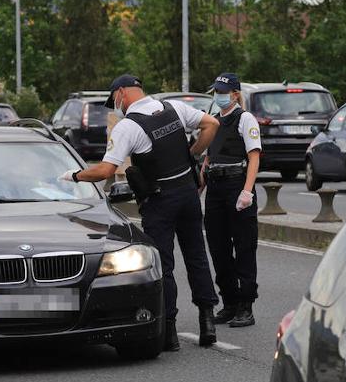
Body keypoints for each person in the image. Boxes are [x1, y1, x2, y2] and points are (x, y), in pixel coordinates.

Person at [65, 75, 221, 351]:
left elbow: (104, 171)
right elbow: (212, 124)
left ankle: (169, 332)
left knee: (164, 264)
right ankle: (207, 322)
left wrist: (74, 176)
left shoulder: (128, 126)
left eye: (114, 99)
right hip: (188, 193)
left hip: (160, 201)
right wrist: (192, 156)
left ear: (122, 93)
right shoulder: (173, 108)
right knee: (197, 255)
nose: (115, 104)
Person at [202, 73, 262, 328]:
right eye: (216, 91)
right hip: (215, 187)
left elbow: (254, 156)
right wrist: (197, 190)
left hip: (237, 185)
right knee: (218, 248)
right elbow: (207, 159)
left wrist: (247, 191)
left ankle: (246, 306)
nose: (219, 96)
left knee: (244, 247)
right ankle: (229, 302)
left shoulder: (245, 118)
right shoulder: (213, 122)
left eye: (223, 91)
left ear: (235, 94)